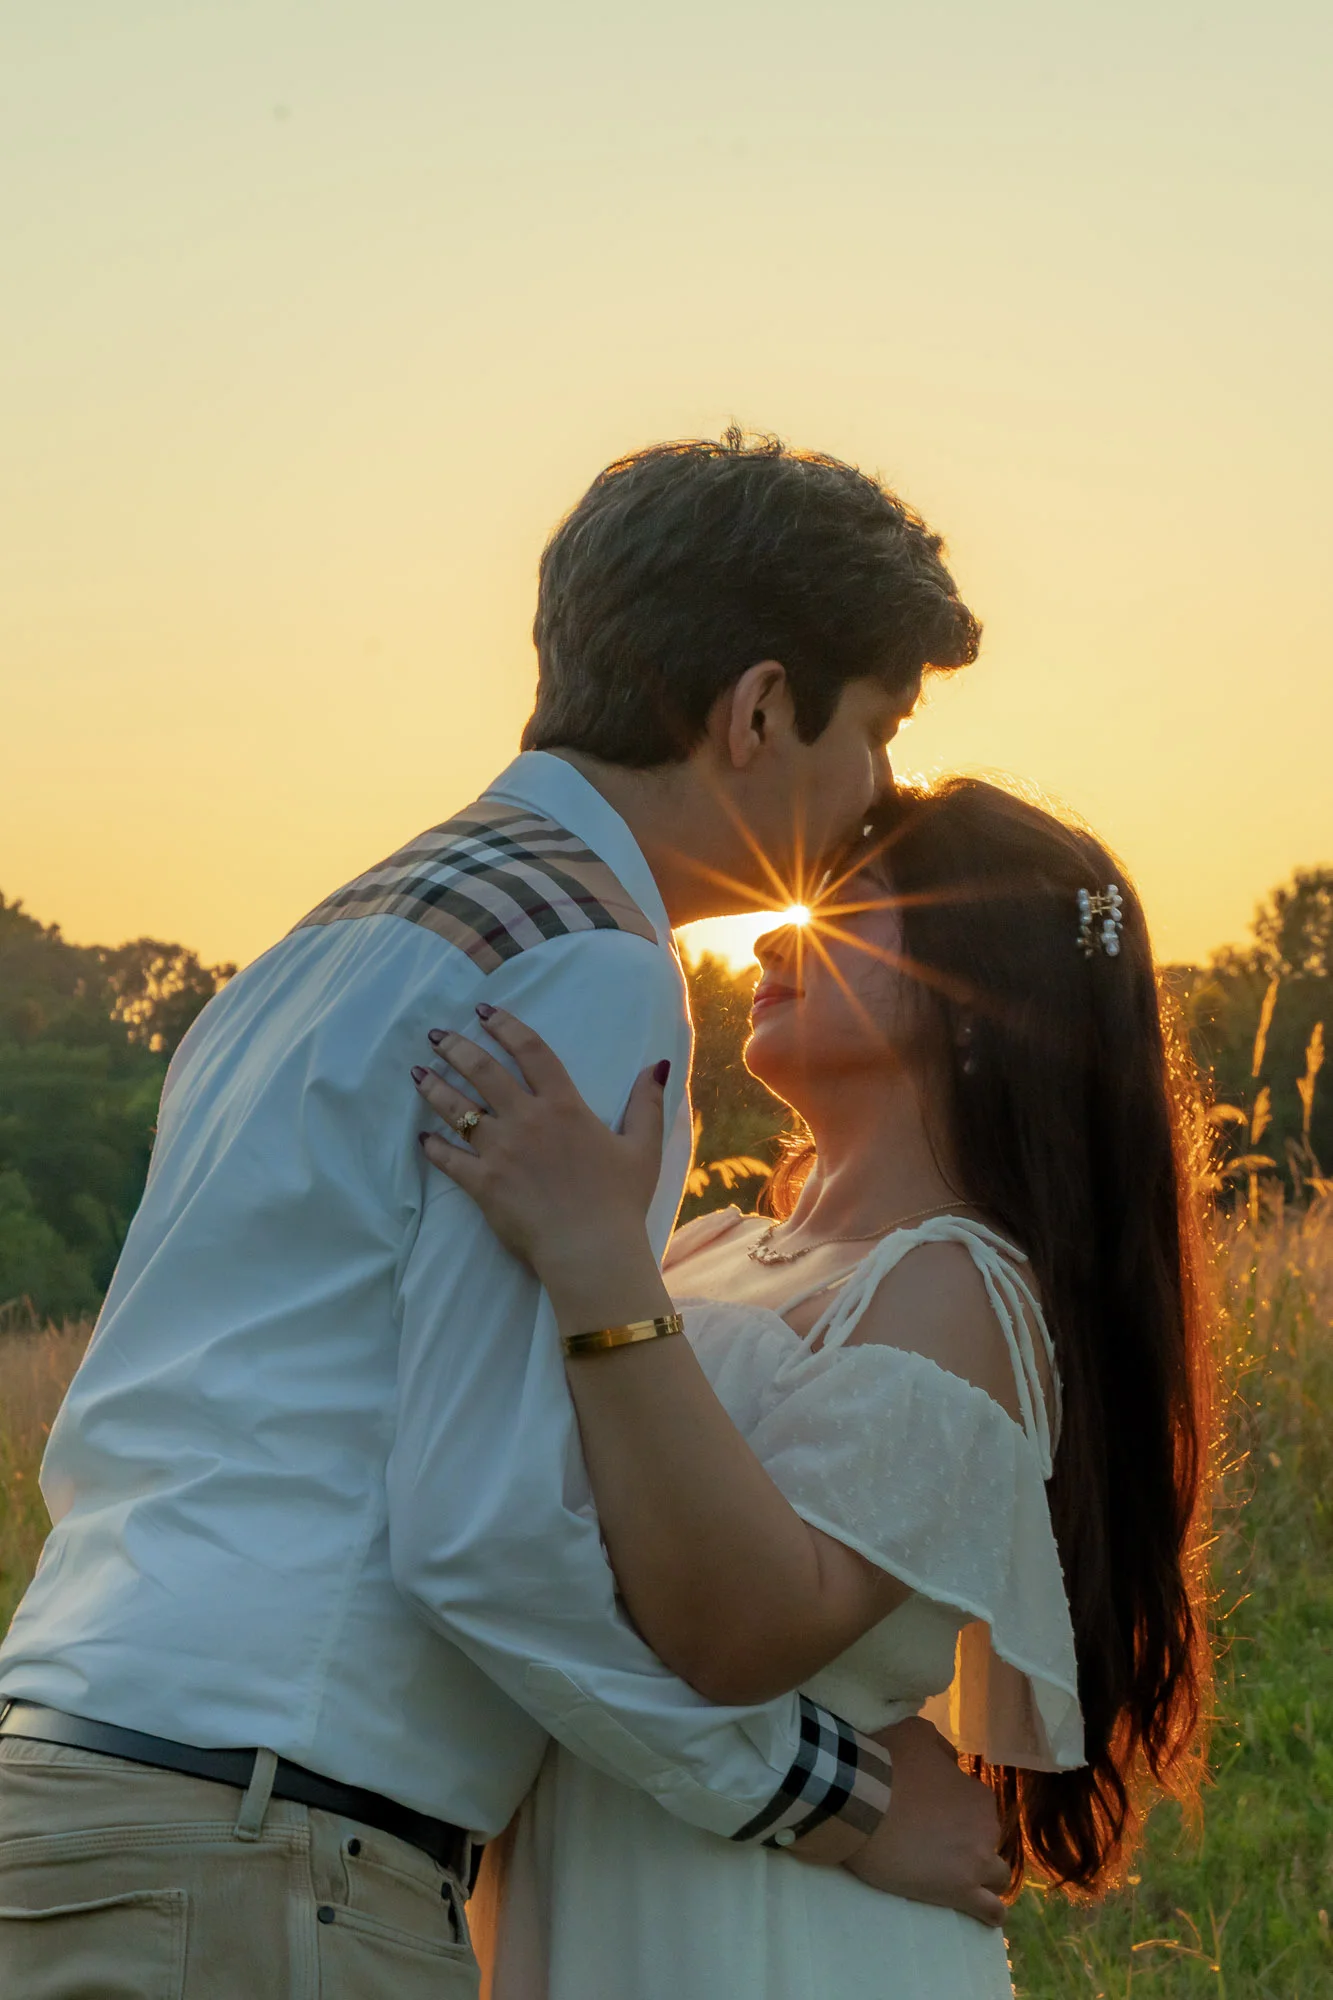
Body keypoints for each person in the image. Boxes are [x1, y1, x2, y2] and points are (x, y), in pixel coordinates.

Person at [0, 432, 1003, 2000]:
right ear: (756, 710)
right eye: (872, 728)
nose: (877, 790)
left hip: (71, 1786)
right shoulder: (585, 970)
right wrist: (838, 1799)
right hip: (266, 1850)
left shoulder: (318, 949)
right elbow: (479, 1530)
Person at [409, 775, 1216, 1999]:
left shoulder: (958, 1286)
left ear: (977, 1005)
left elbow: (741, 1626)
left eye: (852, 907)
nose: (779, 931)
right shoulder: (701, 1248)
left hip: (768, 1930)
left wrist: (588, 1251)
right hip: (613, 1876)